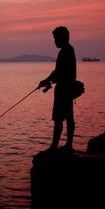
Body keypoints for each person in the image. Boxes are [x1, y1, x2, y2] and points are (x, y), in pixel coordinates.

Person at [38, 26, 76, 154]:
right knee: (69, 117)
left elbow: (58, 72)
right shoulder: (69, 50)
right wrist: (47, 80)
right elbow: (58, 72)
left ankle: (55, 147)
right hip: (68, 88)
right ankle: (68, 145)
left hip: (64, 89)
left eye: (55, 38)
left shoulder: (65, 51)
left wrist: (46, 80)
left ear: (62, 38)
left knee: (59, 118)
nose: (54, 41)